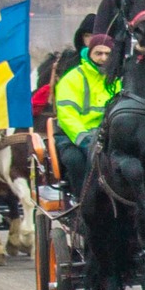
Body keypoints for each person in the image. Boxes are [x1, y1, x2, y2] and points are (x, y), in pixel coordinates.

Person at [54, 34, 120, 192]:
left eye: (107, 54)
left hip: (108, 138)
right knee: (75, 161)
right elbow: (67, 116)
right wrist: (86, 140)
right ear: (89, 53)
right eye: (98, 53)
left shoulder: (118, 80)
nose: (103, 58)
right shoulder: (72, 79)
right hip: (74, 138)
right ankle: (81, 203)